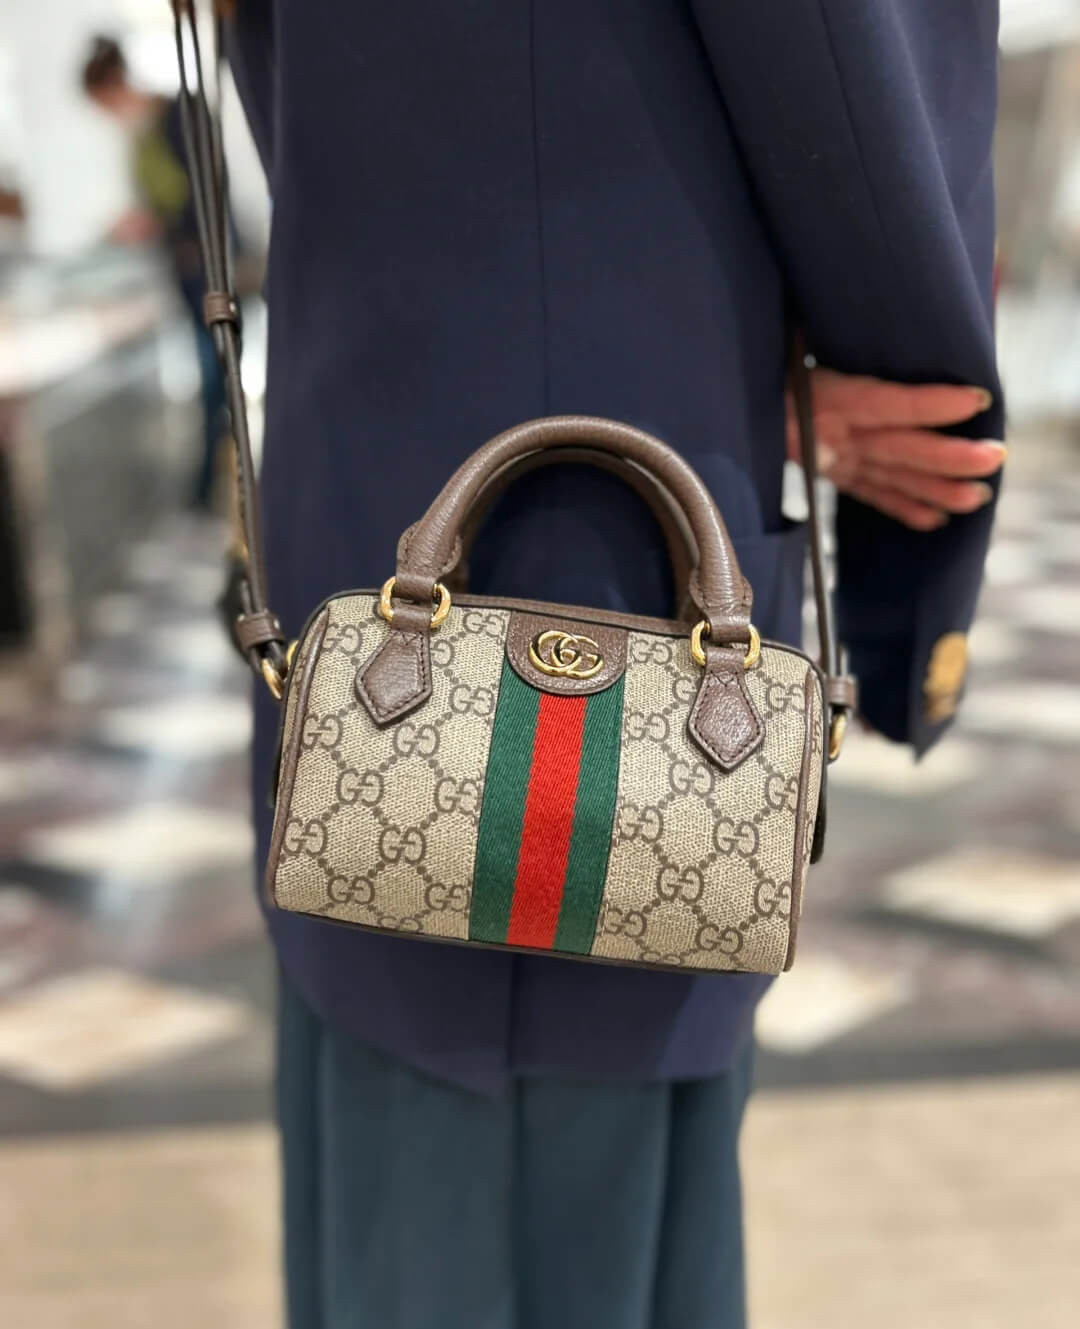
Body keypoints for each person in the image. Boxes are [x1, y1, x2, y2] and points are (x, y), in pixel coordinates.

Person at [218, 3, 1005, 1326]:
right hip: (626, 539)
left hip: (359, 500)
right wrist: (878, 383)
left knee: (392, 1075)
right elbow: (837, 54)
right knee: (571, 1161)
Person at [83, 35, 228, 510]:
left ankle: (210, 492)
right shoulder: (142, 137)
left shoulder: (181, 114)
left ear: (114, 86)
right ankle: (210, 492)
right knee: (209, 383)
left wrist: (157, 223)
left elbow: (205, 196)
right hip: (185, 276)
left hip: (210, 272)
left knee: (217, 382)